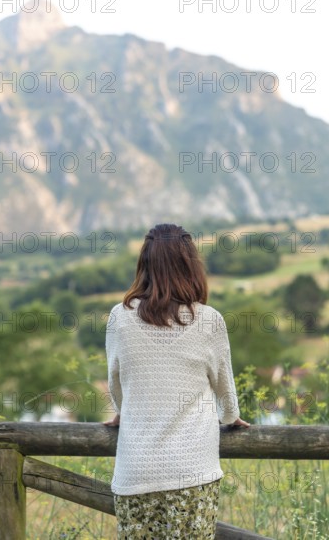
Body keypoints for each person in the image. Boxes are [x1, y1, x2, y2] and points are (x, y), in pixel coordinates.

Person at [103, 223, 250, 539]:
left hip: (135, 472)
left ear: (144, 264)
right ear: (191, 265)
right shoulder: (208, 320)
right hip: (191, 472)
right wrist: (230, 416)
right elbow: (224, 385)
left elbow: (115, 381)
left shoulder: (120, 316)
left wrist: (122, 410)